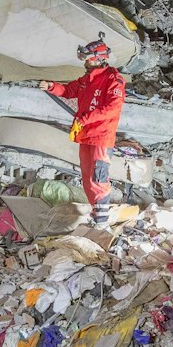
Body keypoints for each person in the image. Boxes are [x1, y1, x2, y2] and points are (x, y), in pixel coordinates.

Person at [45, 37, 126, 227]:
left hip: (101, 137)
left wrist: (85, 119)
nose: (85, 63)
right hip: (86, 135)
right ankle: (96, 215)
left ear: (100, 59)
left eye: (88, 59)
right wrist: (51, 87)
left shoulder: (113, 80)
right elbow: (68, 90)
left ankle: (102, 222)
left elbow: (112, 109)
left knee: (98, 178)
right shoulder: (87, 80)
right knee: (87, 178)